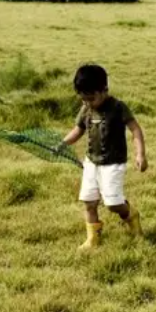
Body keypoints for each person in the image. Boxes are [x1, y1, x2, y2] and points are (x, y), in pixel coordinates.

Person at [62, 64, 147, 250]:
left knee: (113, 204)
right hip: (91, 163)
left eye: (91, 98)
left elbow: (135, 129)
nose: (87, 103)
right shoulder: (86, 109)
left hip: (113, 164)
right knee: (89, 202)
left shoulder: (118, 107)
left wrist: (140, 154)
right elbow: (78, 130)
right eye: (83, 99)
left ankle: (131, 215)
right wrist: (62, 144)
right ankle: (93, 239)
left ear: (104, 90)